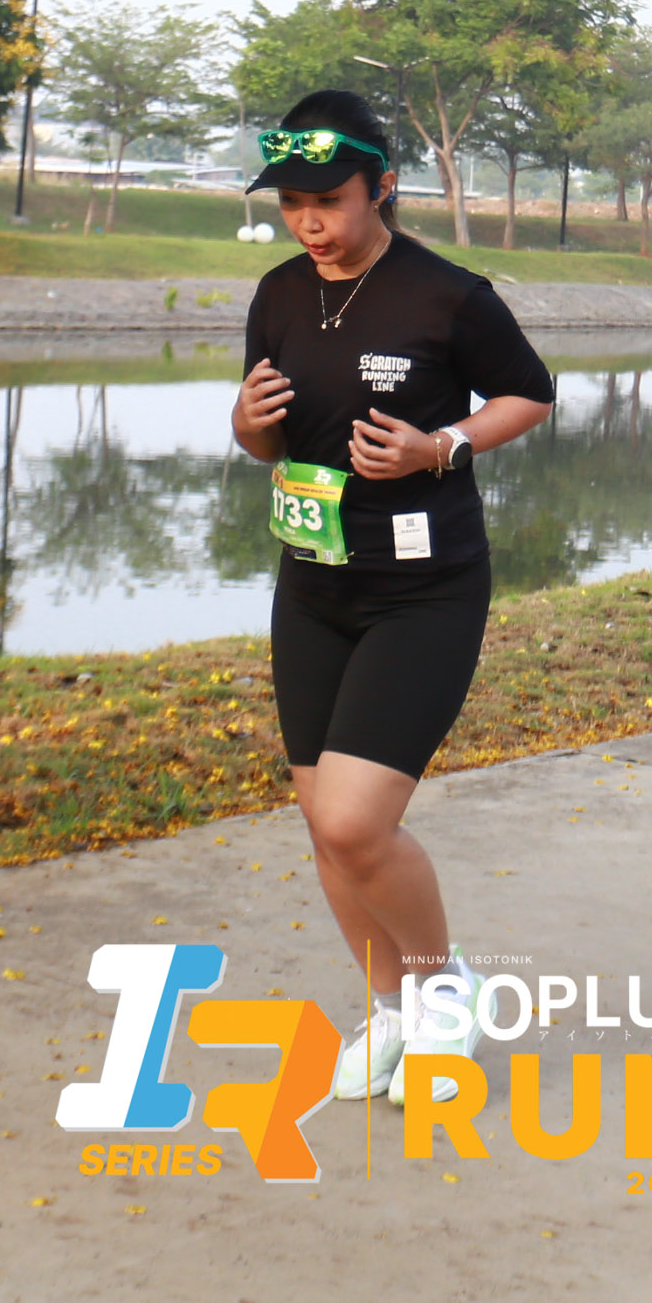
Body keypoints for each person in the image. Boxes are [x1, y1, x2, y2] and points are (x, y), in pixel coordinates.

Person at [229, 89, 555, 1109]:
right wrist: (245, 419)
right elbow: (265, 439)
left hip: (424, 589)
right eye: (292, 202)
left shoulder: (447, 295)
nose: (308, 221)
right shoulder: (279, 293)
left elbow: (530, 394)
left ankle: (445, 987)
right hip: (312, 583)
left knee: (356, 820)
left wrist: (440, 445)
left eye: (328, 200)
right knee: (324, 826)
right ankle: (392, 1009)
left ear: (382, 187)